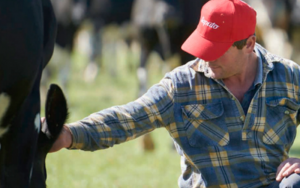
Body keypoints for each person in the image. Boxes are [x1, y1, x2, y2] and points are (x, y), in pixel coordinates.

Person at [48, 0, 300, 187]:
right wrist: (70, 134)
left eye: (216, 49)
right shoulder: (182, 85)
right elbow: (128, 118)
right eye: (203, 46)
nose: (205, 56)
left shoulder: (288, 76)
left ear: (249, 44)